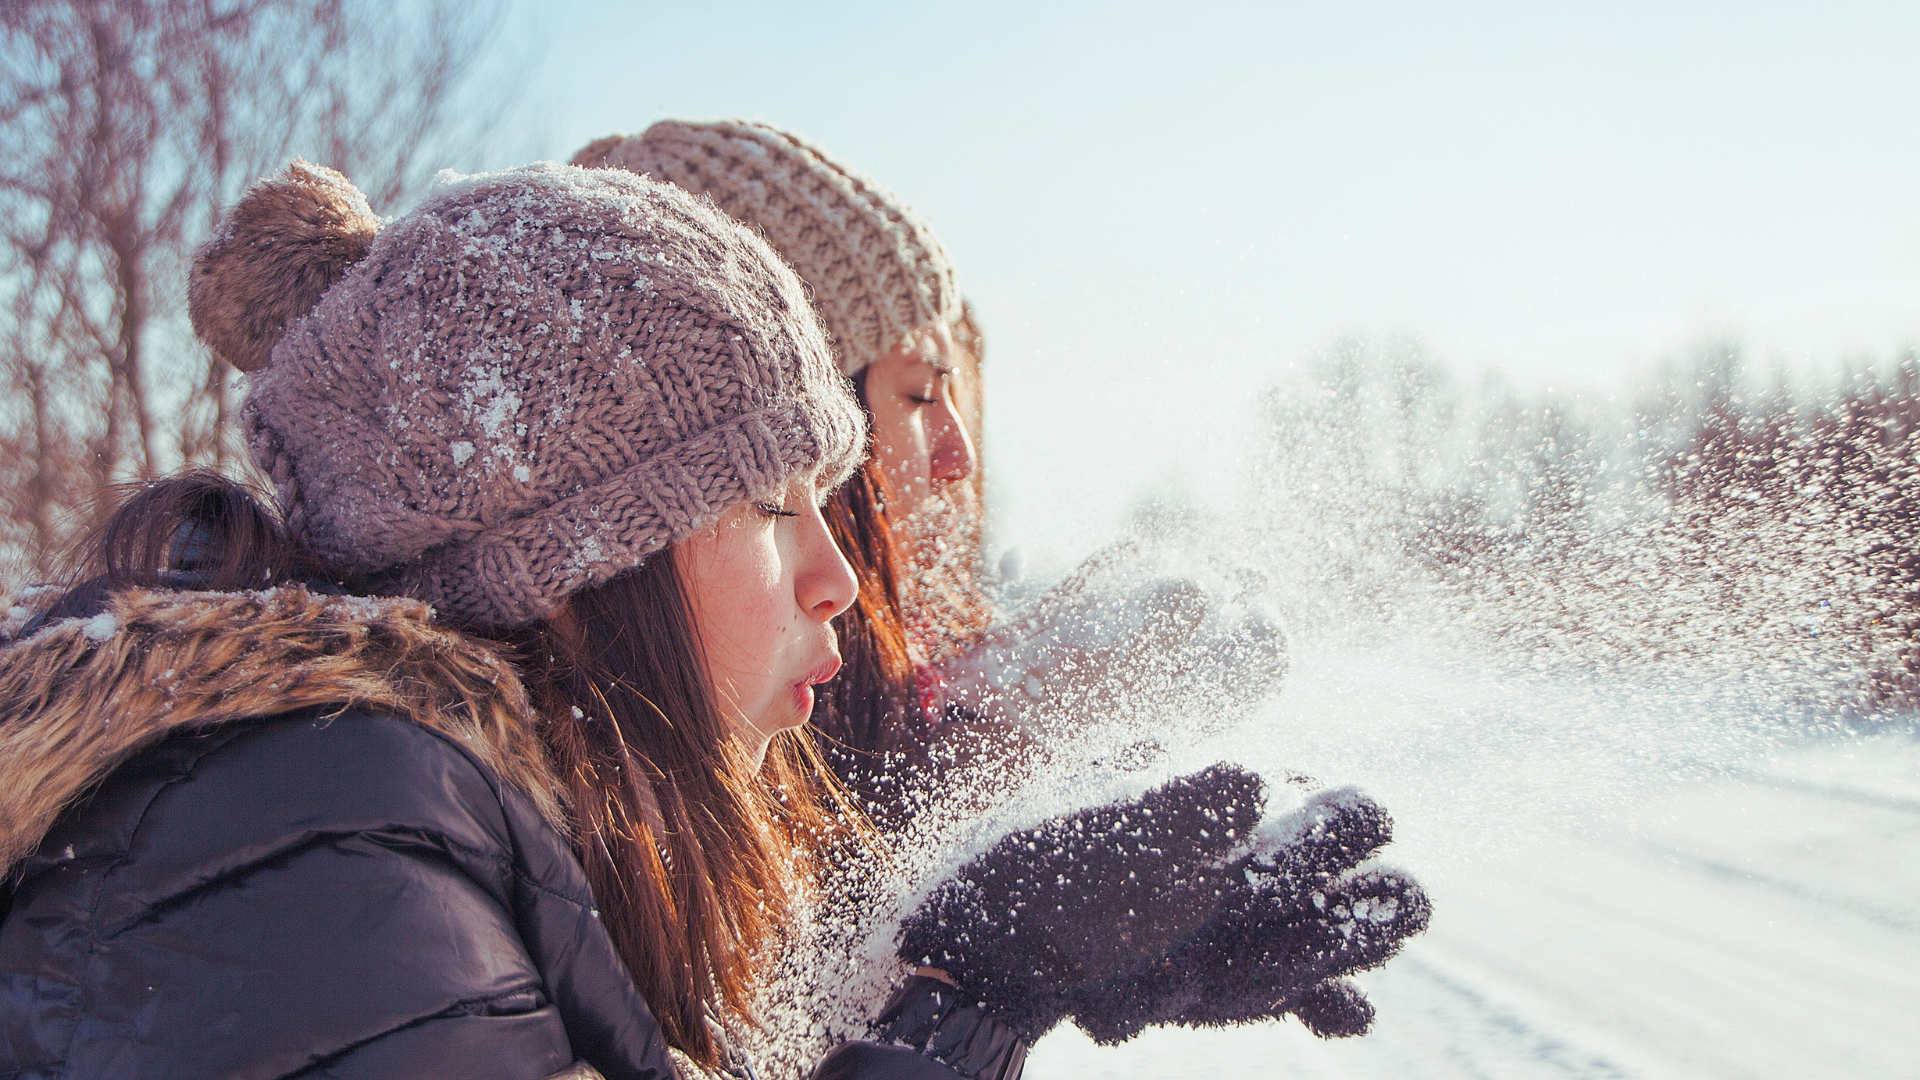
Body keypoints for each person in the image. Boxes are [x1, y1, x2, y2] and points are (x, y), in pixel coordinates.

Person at [0, 159, 1428, 1080]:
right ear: (567, 557)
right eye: (765, 505)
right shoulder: (320, 852)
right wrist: (970, 993)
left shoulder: (449, 822)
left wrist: (994, 973)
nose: (841, 574)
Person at [573, 123, 1287, 825]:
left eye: (957, 397)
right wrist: (998, 758)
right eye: (918, 395)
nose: (960, 458)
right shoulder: (631, 805)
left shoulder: (900, 699)